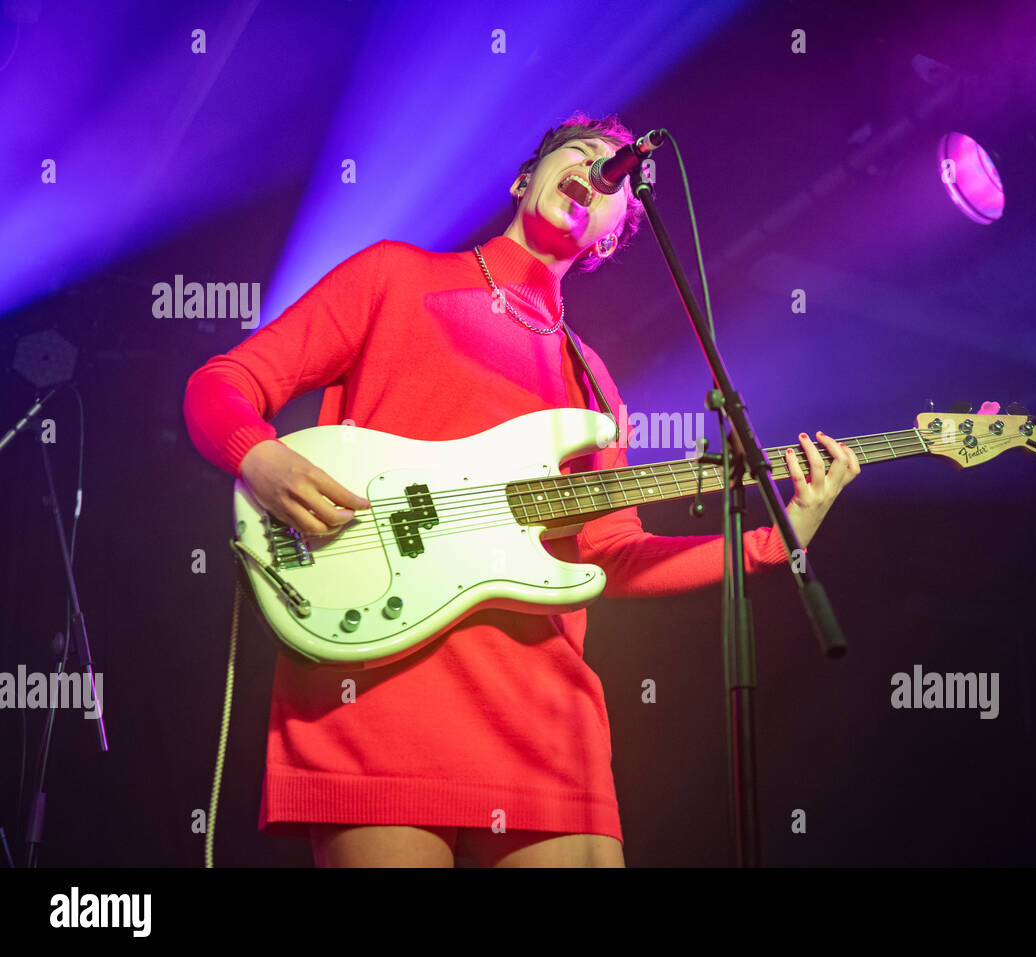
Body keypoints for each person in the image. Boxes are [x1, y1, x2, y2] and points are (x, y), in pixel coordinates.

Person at [182, 111, 861, 867]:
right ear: (522, 177)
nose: (603, 165)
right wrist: (261, 459)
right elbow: (221, 386)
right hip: (380, 684)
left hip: (546, 716)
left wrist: (777, 539)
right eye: (584, 152)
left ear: (609, 237)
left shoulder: (595, 390)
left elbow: (614, 554)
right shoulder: (395, 276)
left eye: (619, 177)